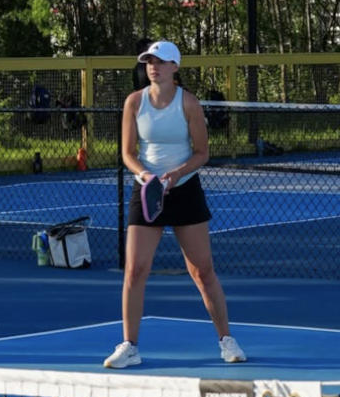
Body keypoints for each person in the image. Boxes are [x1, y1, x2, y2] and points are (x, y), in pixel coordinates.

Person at [104, 39, 246, 369]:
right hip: (147, 191)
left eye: (160, 61)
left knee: (202, 271)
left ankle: (227, 340)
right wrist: (146, 176)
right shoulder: (134, 102)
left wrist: (176, 174)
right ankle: (129, 346)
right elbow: (128, 153)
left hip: (184, 190)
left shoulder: (189, 103)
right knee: (134, 270)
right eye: (149, 61)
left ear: (174, 67)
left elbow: (202, 152)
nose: (153, 67)